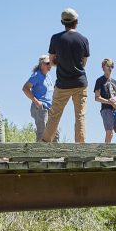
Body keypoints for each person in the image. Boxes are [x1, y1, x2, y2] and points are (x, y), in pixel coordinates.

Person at [42, 8, 89, 143]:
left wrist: (62, 63)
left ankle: (45, 145)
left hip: (62, 84)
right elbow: (83, 63)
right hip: (80, 83)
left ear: (62, 22)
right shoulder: (83, 39)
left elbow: (51, 61)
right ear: (76, 22)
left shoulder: (55, 38)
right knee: (80, 116)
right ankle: (80, 147)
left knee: (54, 115)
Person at [22, 54, 58, 142]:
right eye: (47, 63)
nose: (50, 66)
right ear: (41, 64)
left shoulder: (48, 77)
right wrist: (36, 101)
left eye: (51, 63)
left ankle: (56, 154)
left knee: (55, 132)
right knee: (42, 132)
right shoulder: (36, 75)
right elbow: (25, 88)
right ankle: (39, 154)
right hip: (41, 108)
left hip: (50, 108)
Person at [94, 58, 116, 144]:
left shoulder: (114, 82)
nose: (110, 68)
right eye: (108, 66)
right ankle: (106, 154)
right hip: (106, 109)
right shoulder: (99, 81)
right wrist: (109, 101)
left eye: (112, 66)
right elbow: (97, 97)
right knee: (109, 133)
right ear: (103, 67)